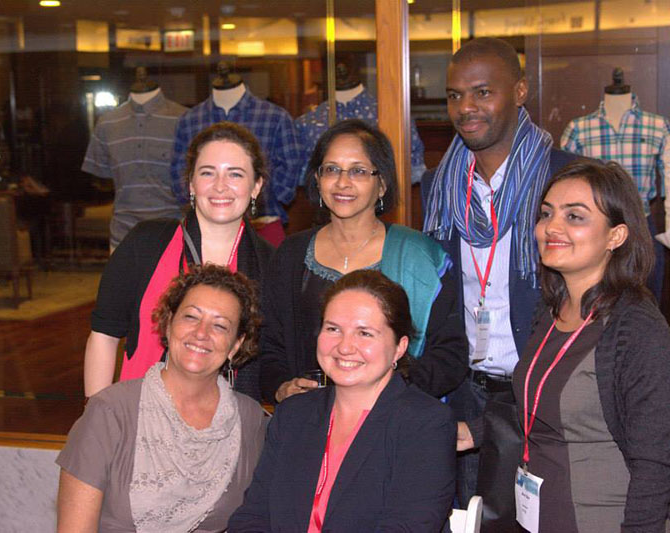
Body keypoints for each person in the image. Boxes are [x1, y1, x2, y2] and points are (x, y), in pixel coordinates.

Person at [421, 37, 576, 530]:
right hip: (462, 388)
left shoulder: (567, 180)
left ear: (521, 91)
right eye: (453, 95)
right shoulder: (439, 187)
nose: (465, 108)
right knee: (465, 520)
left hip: (540, 389)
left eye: (482, 92)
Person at [509, 160, 670, 531]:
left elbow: (653, 468)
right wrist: (470, 432)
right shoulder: (551, 311)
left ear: (615, 236)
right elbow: (541, 407)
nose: (551, 228)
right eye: (546, 214)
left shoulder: (638, 332)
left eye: (575, 217)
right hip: (544, 514)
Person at [229, 270, 456, 532]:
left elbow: (405, 527)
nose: (345, 347)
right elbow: (252, 516)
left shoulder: (426, 424)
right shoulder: (294, 413)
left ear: (399, 347)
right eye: (333, 329)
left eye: (365, 333)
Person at [260, 119, 466, 403]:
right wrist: (282, 387)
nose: (343, 182)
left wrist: (388, 394)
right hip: (309, 421)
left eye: (358, 171)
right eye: (331, 169)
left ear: (381, 185)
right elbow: (269, 343)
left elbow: (450, 353)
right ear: (317, 180)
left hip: (396, 420)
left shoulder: (419, 255)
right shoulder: (291, 254)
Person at [57, 265, 268, 533]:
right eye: (191, 317)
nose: (201, 333)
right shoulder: (110, 412)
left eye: (219, 325)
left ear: (236, 345)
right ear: (168, 324)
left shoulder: (249, 419)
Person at [84, 122, 274, 401]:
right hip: (138, 414)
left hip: (227, 424)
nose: (220, 186)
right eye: (208, 173)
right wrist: (98, 418)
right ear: (191, 184)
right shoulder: (145, 242)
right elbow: (104, 335)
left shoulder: (270, 263)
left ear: (256, 186)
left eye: (235, 174)